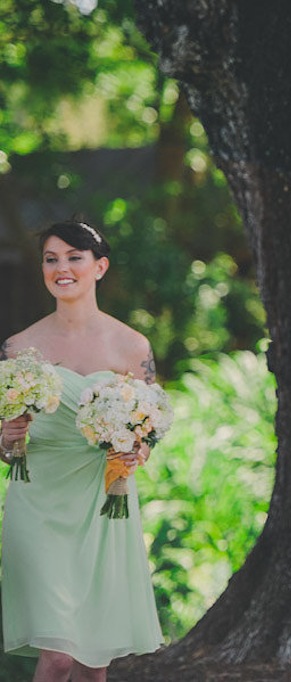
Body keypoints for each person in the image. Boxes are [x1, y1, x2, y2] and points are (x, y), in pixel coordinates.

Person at [0, 220, 163, 681]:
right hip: (39, 502)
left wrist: (137, 454)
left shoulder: (132, 346)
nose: (61, 268)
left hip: (104, 498)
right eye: (51, 259)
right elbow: (6, 448)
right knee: (57, 656)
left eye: (74, 257)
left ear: (100, 267)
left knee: (94, 659)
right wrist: (9, 439)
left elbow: (148, 429)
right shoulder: (19, 348)